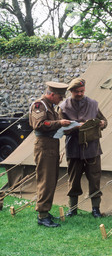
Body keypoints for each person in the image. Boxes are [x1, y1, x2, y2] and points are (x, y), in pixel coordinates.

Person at [58, 78, 108, 218]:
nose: (80, 94)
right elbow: (61, 128)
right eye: (77, 92)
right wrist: (75, 126)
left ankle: (95, 209)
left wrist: (102, 123)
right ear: (71, 92)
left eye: (82, 91)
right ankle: (72, 209)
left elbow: (105, 121)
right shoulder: (63, 107)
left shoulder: (93, 104)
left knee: (94, 179)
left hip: (92, 148)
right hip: (74, 149)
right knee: (73, 180)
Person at [29, 82, 71, 228]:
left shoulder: (50, 106)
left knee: (51, 180)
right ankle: (42, 215)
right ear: (51, 94)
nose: (61, 99)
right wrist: (59, 123)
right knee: (45, 181)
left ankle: (45, 211)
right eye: (59, 96)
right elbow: (39, 124)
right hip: (44, 146)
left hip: (51, 145)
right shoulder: (39, 105)